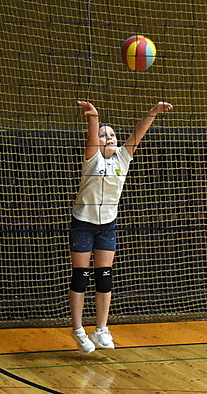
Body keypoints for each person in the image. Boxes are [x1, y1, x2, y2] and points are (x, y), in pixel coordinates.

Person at [68, 100, 173, 353]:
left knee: (104, 276)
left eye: (113, 135)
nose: (110, 138)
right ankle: (78, 330)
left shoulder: (123, 159)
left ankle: (101, 329)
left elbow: (138, 133)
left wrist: (153, 111)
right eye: (104, 135)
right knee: (81, 276)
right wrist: (94, 117)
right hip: (83, 223)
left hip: (107, 225)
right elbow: (92, 137)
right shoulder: (92, 159)